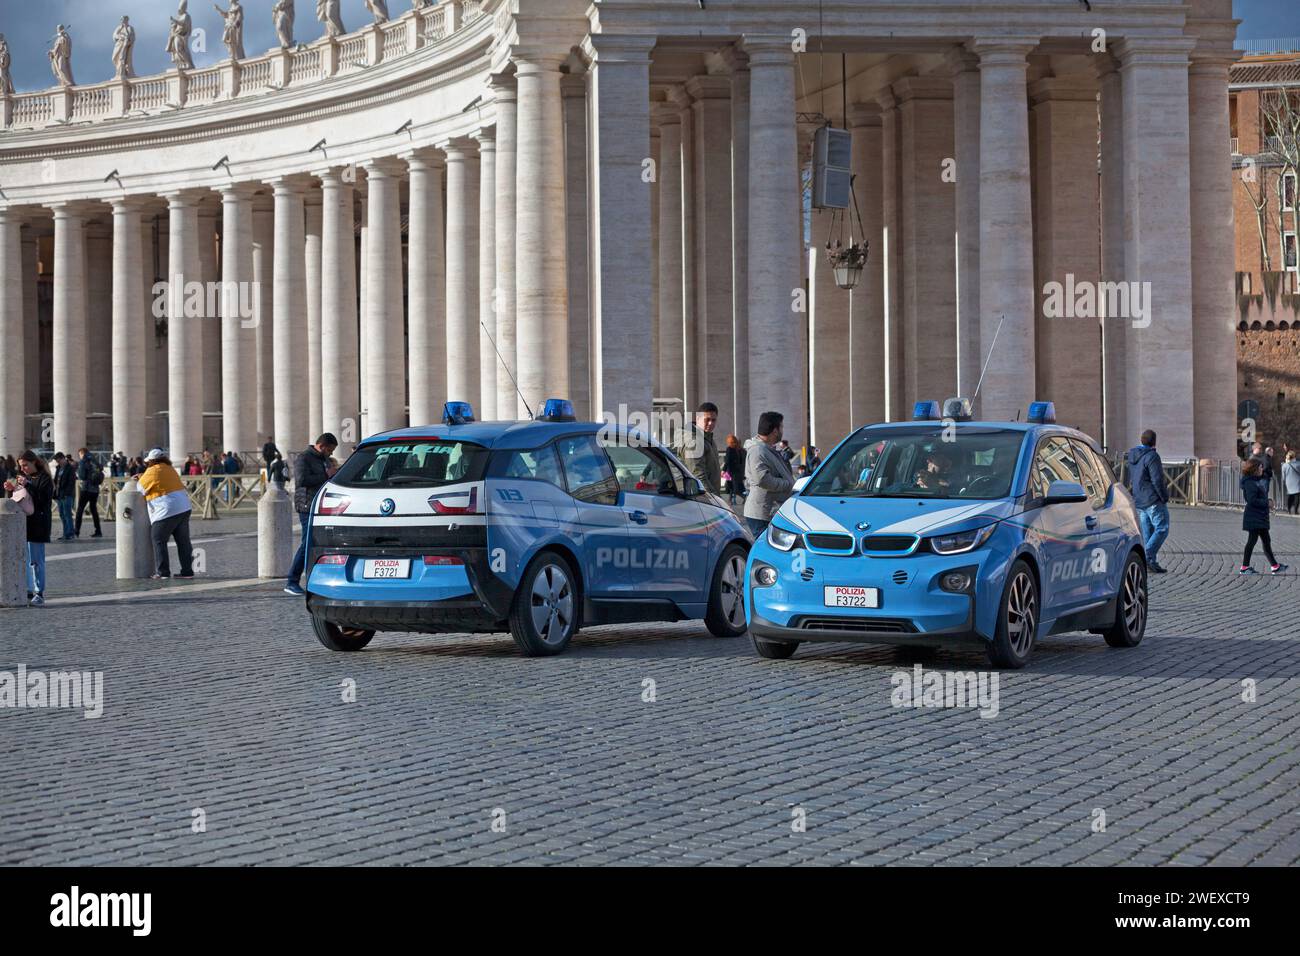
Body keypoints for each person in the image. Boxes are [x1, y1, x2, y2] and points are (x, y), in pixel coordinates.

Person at [285, 433, 338, 595]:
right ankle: (292, 581)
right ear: (322, 446)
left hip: (321, 505)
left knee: (320, 542)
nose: (331, 454)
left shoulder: (324, 459)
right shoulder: (304, 458)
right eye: (330, 450)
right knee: (307, 543)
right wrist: (325, 476)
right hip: (307, 505)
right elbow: (301, 480)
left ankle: (314, 578)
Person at [3, 451, 54, 606]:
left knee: (37, 561)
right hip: (24, 524)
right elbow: (20, 498)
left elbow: (42, 500)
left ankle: (39, 593)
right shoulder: (24, 479)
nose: (23, 468)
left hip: (38, 524)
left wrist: (28, 486)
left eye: (25, 465)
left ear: (34, 462)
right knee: (24, 559)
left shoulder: (45, 479)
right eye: (21, 466)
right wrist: (12, 488)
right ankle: (28, 589)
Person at [138, 448, 195, 579]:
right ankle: (187, 572)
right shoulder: (170, 468)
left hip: (167, 510)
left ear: (151, 461)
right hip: (184, 507)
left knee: (158, 539)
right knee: (183, 541)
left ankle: (163, 572)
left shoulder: (153, 470)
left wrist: (141, 477)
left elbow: (140, 488)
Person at [743, 412, 795, 538]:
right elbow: (762, 479)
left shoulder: (767, 449)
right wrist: (788, 484)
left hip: (769, 511)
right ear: (775, 430)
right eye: (781, 427)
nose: (782, 431)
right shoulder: (758, 451)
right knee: (767, 551)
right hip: (762, 514)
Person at [1127, 429, 1170, 574]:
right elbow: (1157, 480)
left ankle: (1151, 562)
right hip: (1152, 499)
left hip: (1138, 498)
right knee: (1162, 528)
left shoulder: (1132, 455)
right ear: (1154, 442)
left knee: (1148, 532)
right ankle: (1147, 556)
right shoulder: (1152, 456)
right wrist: (1164, 497)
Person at [1240, 457, 1287, 575]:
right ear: (1255, 469)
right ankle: (1244, 567)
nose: (1262, 469)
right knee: (1252, 541)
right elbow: (1252, 500)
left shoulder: (1257, 480)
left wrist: (1268, 501)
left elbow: (1265, 482)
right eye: (1260, 467)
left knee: (1266, 541)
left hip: (1260, 516)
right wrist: (1267, 503)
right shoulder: (1250, 482)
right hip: (1254, 516)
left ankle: (1274, 566)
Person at [673, 402, 722, 494]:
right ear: (698, 419)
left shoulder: (708, 438)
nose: (710, 423)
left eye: (713, 420)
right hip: (701, 498)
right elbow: (698, 476)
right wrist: (715, 500)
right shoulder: (694, 442)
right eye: (707, 419)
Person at [74, 447, 103, 538]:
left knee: (80, 510)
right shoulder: (95, 460)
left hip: (86, 488)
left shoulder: (83, 461)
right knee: (94, 510)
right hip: (95, 489)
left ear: (82, 453)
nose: (79, 457)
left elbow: (82, 476)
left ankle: (76, 531)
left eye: (79, 455)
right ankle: (98, 531)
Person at [51, 452, 77, 540]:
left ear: (63, 458)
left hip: (66, 495)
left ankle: (70, 533)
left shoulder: (70, 468)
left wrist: (67, 493)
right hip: (59, 495)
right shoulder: (59, 468)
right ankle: (65, 533)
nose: (58, 463)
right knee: (62, 514)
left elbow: (71, 483)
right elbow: (56, 481)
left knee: (67, 514)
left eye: (59, 461)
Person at [723, 433, 745, 506]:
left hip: (729, 472)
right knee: (731, 486)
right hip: (736, 472)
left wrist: (723, 470)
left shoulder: (729, 449)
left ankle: (733, 500)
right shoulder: (738, 450)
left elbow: (727, 461)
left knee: (732, 487)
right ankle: (731, 500)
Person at [1284, 450, 1300, 515]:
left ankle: (1288, 510)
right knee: (1297, 496)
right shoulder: (1298, 464)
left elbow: (1283, 475)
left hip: (1288, 482)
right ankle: (1295, 511)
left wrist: (1284, 481)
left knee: (1290, 495)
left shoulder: (1285, 465)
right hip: (1297, 481)